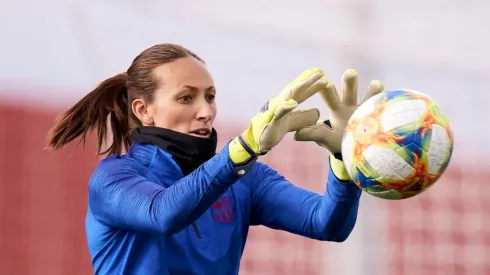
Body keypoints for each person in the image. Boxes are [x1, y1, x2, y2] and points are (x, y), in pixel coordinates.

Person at [45, 43, 384, 275]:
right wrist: (245, 147)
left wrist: (344, 158)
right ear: (143, 111)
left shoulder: (247, 178)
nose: (206, 112)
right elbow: (162, 212)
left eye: (210, 97)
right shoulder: (113, 179)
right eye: (185, 98)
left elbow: (327, 224)